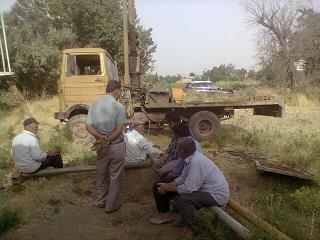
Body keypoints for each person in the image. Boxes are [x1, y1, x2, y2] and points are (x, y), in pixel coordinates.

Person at [150, 137, 230, 239]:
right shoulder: (191, 158)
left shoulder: (197, 162)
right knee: (160, 185)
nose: (176, 151)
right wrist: (169, 184)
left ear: (182, 152)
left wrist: (170, 187)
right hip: (205, 190)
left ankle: (189, 231)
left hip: (216, 195)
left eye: (177, 149)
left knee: (186, 198)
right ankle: (171, 217)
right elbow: (183, 177)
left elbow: (189, 188)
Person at [86, 80, 126, 213]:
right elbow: (119, 129)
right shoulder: (118, 107)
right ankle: (111, 206)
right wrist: (107, 139)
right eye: (120, 92)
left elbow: (88, 126)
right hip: (116, 146)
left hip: (100, 147)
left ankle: (100, 201)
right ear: (116, 92)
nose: (120, 95)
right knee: (115, 177)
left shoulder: (94, 104)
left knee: (102, 174)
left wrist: (101, 138)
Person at [153, 110, 193, 178]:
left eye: (168, 123)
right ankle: (164, 179)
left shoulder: (184, 131)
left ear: (171, 122)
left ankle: (168, 180)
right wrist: (167, 155)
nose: (168, 125)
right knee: (156, 164)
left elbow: (181, 153)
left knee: (163, 170)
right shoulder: (176, 131)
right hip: (173, 157)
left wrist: (170, 160)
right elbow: (172, 146)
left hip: (180, 160)